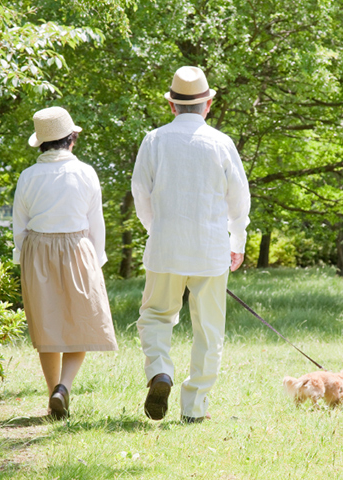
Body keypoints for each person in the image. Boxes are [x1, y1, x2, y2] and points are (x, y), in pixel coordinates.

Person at [131, 66, 251, 423]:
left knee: (155, 316)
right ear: (208, 104)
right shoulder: (221, 143)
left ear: (171, 106)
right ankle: (195, 408)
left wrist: (158, 228)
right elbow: (238, 200)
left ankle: (160, 371)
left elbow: (140, 193)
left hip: (165, 246)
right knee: (209, 330)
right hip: (211, 248)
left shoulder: (154, 140)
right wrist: (238, 239)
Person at [12, 106, 118, 419]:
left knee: (48, 326)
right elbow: (95, 222)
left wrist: (24, 261)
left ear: (41, 143)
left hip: (37, 250)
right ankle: (64, 387)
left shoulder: (28, 176)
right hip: (77, 247)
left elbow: (20, 225)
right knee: (80, 323)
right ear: (71, 139)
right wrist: (97, 260)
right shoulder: (86, 172)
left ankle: (51, 394)